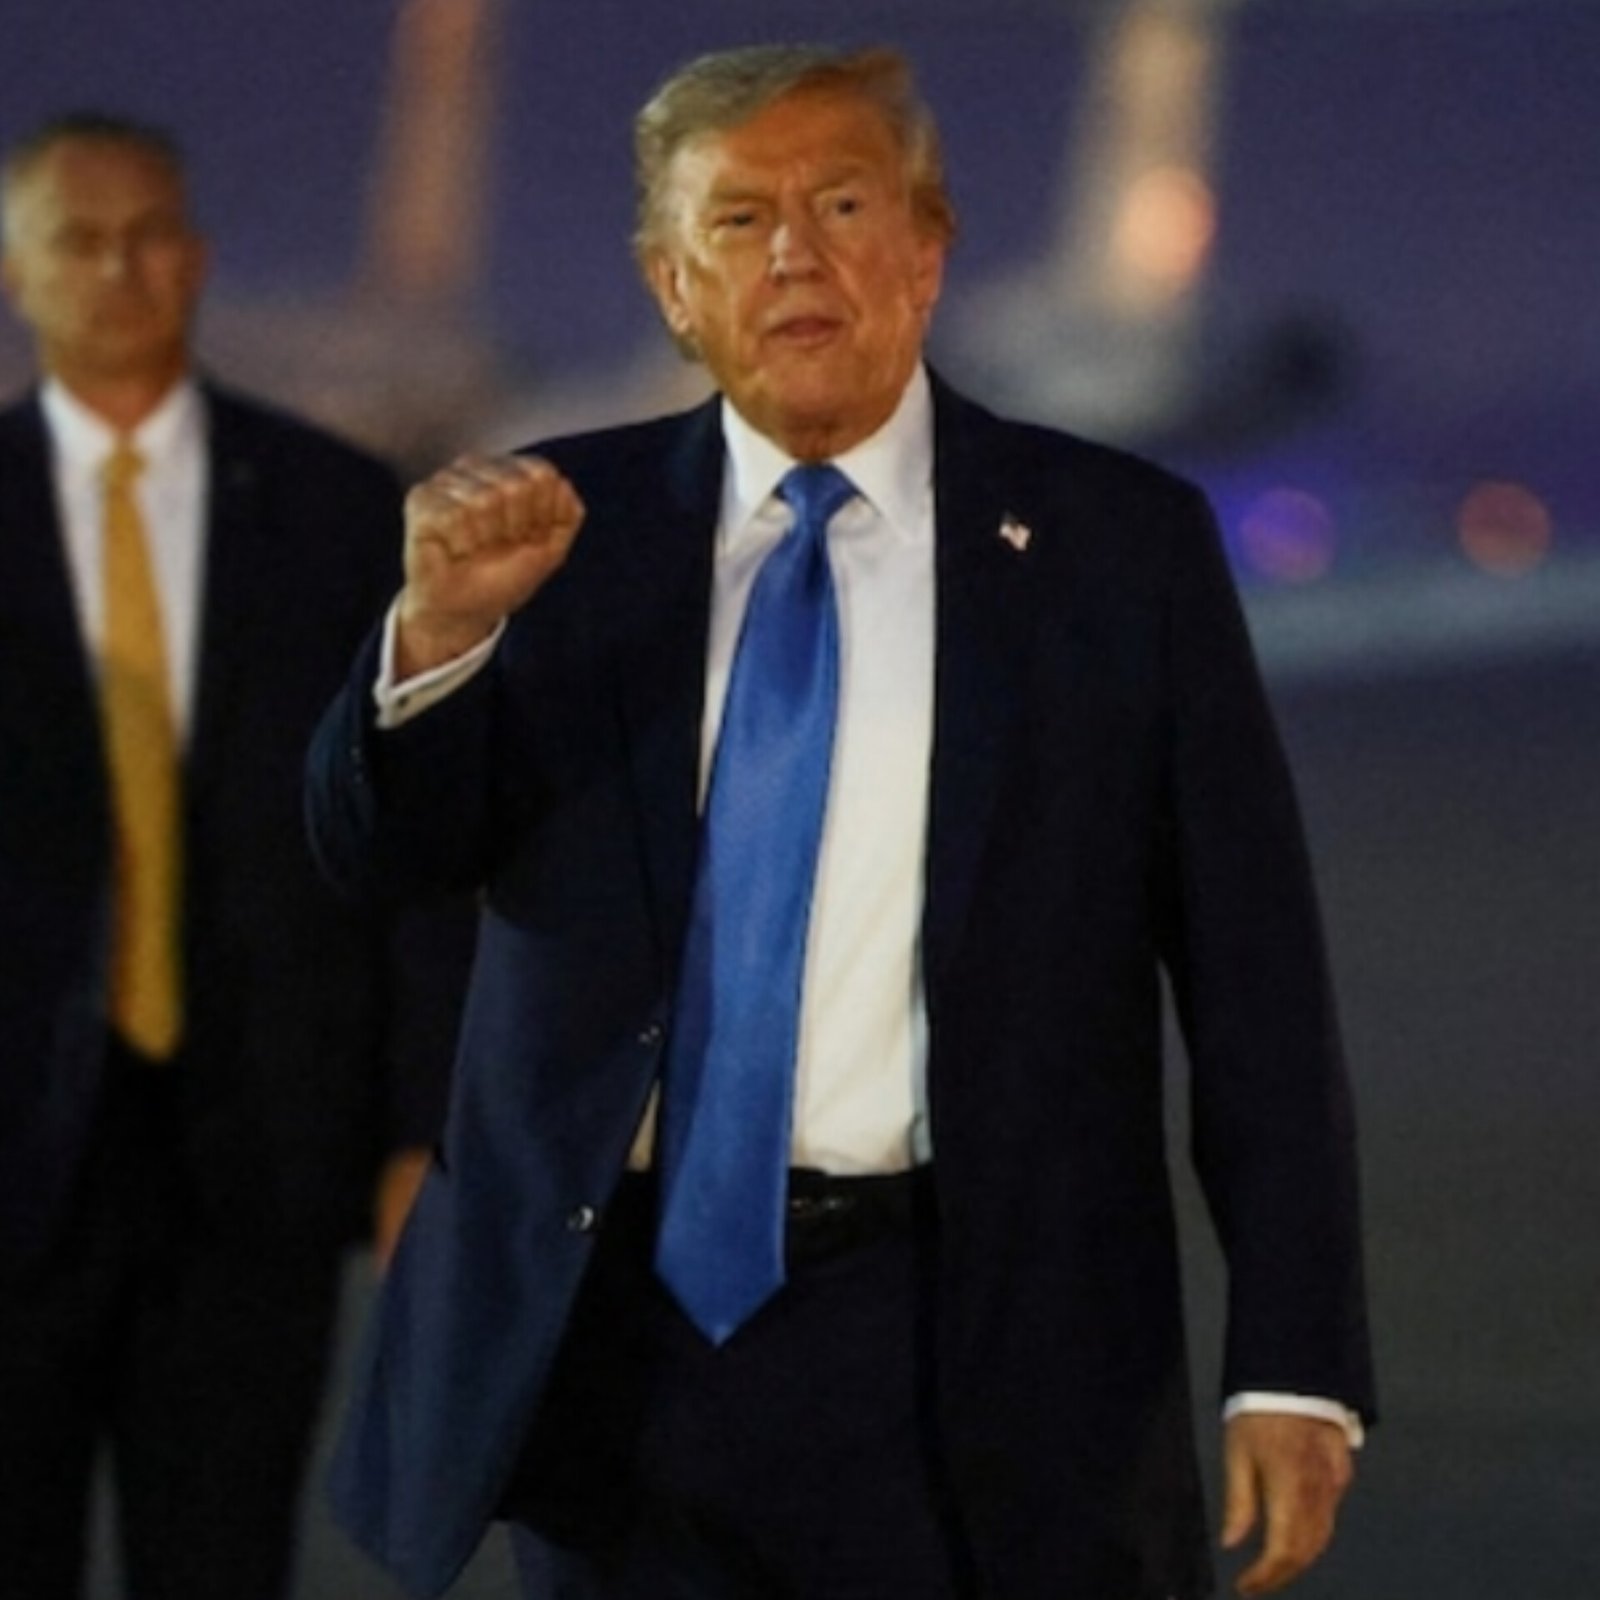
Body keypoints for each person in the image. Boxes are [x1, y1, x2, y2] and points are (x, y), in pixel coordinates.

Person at [306, 43, 1376, 1600]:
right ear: (673, 287)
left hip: (974, 1347)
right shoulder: (548, 537)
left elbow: (1254, 984)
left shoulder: (1117, 552)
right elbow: (380, 860)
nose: (794, 255)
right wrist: (434, 642)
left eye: (844, 204)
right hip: (616, 1357)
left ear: (930, 249)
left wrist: (1293, 1361)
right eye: (739, 222)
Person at [0, 113, 471, 1599]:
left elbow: (410, 841)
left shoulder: (338, 513)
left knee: (223, 1562)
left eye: (150, 235)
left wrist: (420, 1131)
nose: (119, 269)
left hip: (256, 1159)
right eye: (79, 239)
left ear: (197, 257)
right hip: (10, 1159)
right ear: (18, 270)